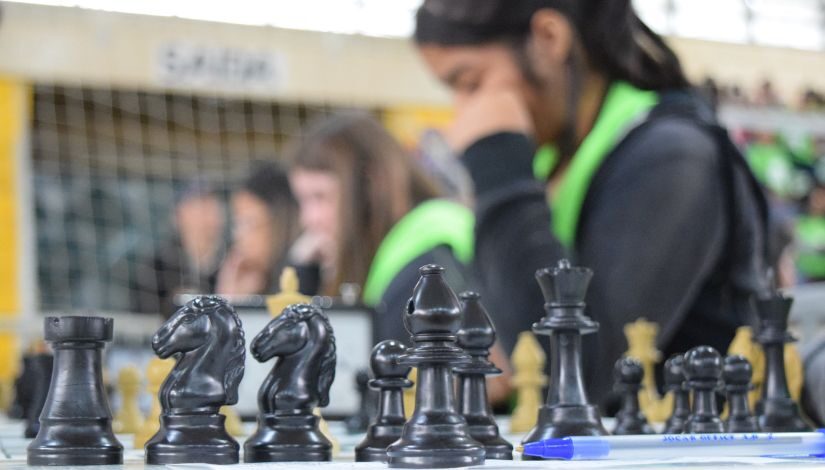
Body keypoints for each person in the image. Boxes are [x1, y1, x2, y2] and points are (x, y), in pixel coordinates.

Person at [413, 0, 770, 406]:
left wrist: (498, 163)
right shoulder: (557, 164)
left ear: (549, 38)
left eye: (470, 82)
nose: (463, 113)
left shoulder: (673, 155)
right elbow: (512, 336)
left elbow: (580, 378)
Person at [136, 179, 225, 316]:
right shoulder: (157, 267)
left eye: (213, 203)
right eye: (200, 204)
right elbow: (144, 317)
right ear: (178, 215)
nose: (210, 212)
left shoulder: (234, 264)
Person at [216, 161, 299, 296]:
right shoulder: (246, 279)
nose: (238, 236)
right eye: (236, 224)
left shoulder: (304, 278)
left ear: (280, 223)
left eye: (248, 223)